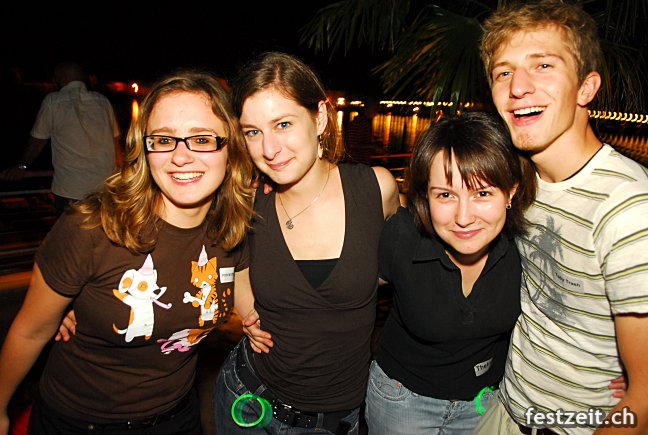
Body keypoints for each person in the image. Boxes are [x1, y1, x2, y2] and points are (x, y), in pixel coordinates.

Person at [0, 69, 258, 435]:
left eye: (201, 139)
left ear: (230, 149)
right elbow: (30, 331)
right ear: (145, 148)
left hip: (177, 418)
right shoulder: (92, 228)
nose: (181, 157)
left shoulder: (231, 229)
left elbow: (255, 312)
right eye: (164, 140)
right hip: (79, 423)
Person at [475, 1, 648, 434]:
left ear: (586, 88)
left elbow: (644, 398)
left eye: (544, 65)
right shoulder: (521, 179)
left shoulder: (627, 207)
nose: (518, 87)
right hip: (507, 409)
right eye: (503, 72)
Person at [212, 51, 400, 434]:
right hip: (247, 402)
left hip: (333, 420)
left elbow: (401, 262)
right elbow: (228, 261)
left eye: (283, 124)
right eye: (253, 132)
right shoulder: (247, 199)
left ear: (320, 118)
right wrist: (247, 308)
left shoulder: (375, 189)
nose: (269, 149)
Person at [364, 111, 536, 434]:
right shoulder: (402, 237)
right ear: (426, 196)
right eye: (445, 195)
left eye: (482, 193)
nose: (464, 217)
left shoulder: (528, 248)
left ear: (511, 192)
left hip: (485, 404)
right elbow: (344, 289)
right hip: (401, 402)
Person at [0, 62, 122, 216]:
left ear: (61, 78)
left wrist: (21, 167)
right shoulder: (102, 101)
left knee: (70, 231)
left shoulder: (53, 101)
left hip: (71, 191)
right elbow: (116, 143)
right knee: (103, 231)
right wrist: (121, 177)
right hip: (106, 189)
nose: (54, 82)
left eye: (55, 78)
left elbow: (37, 142)